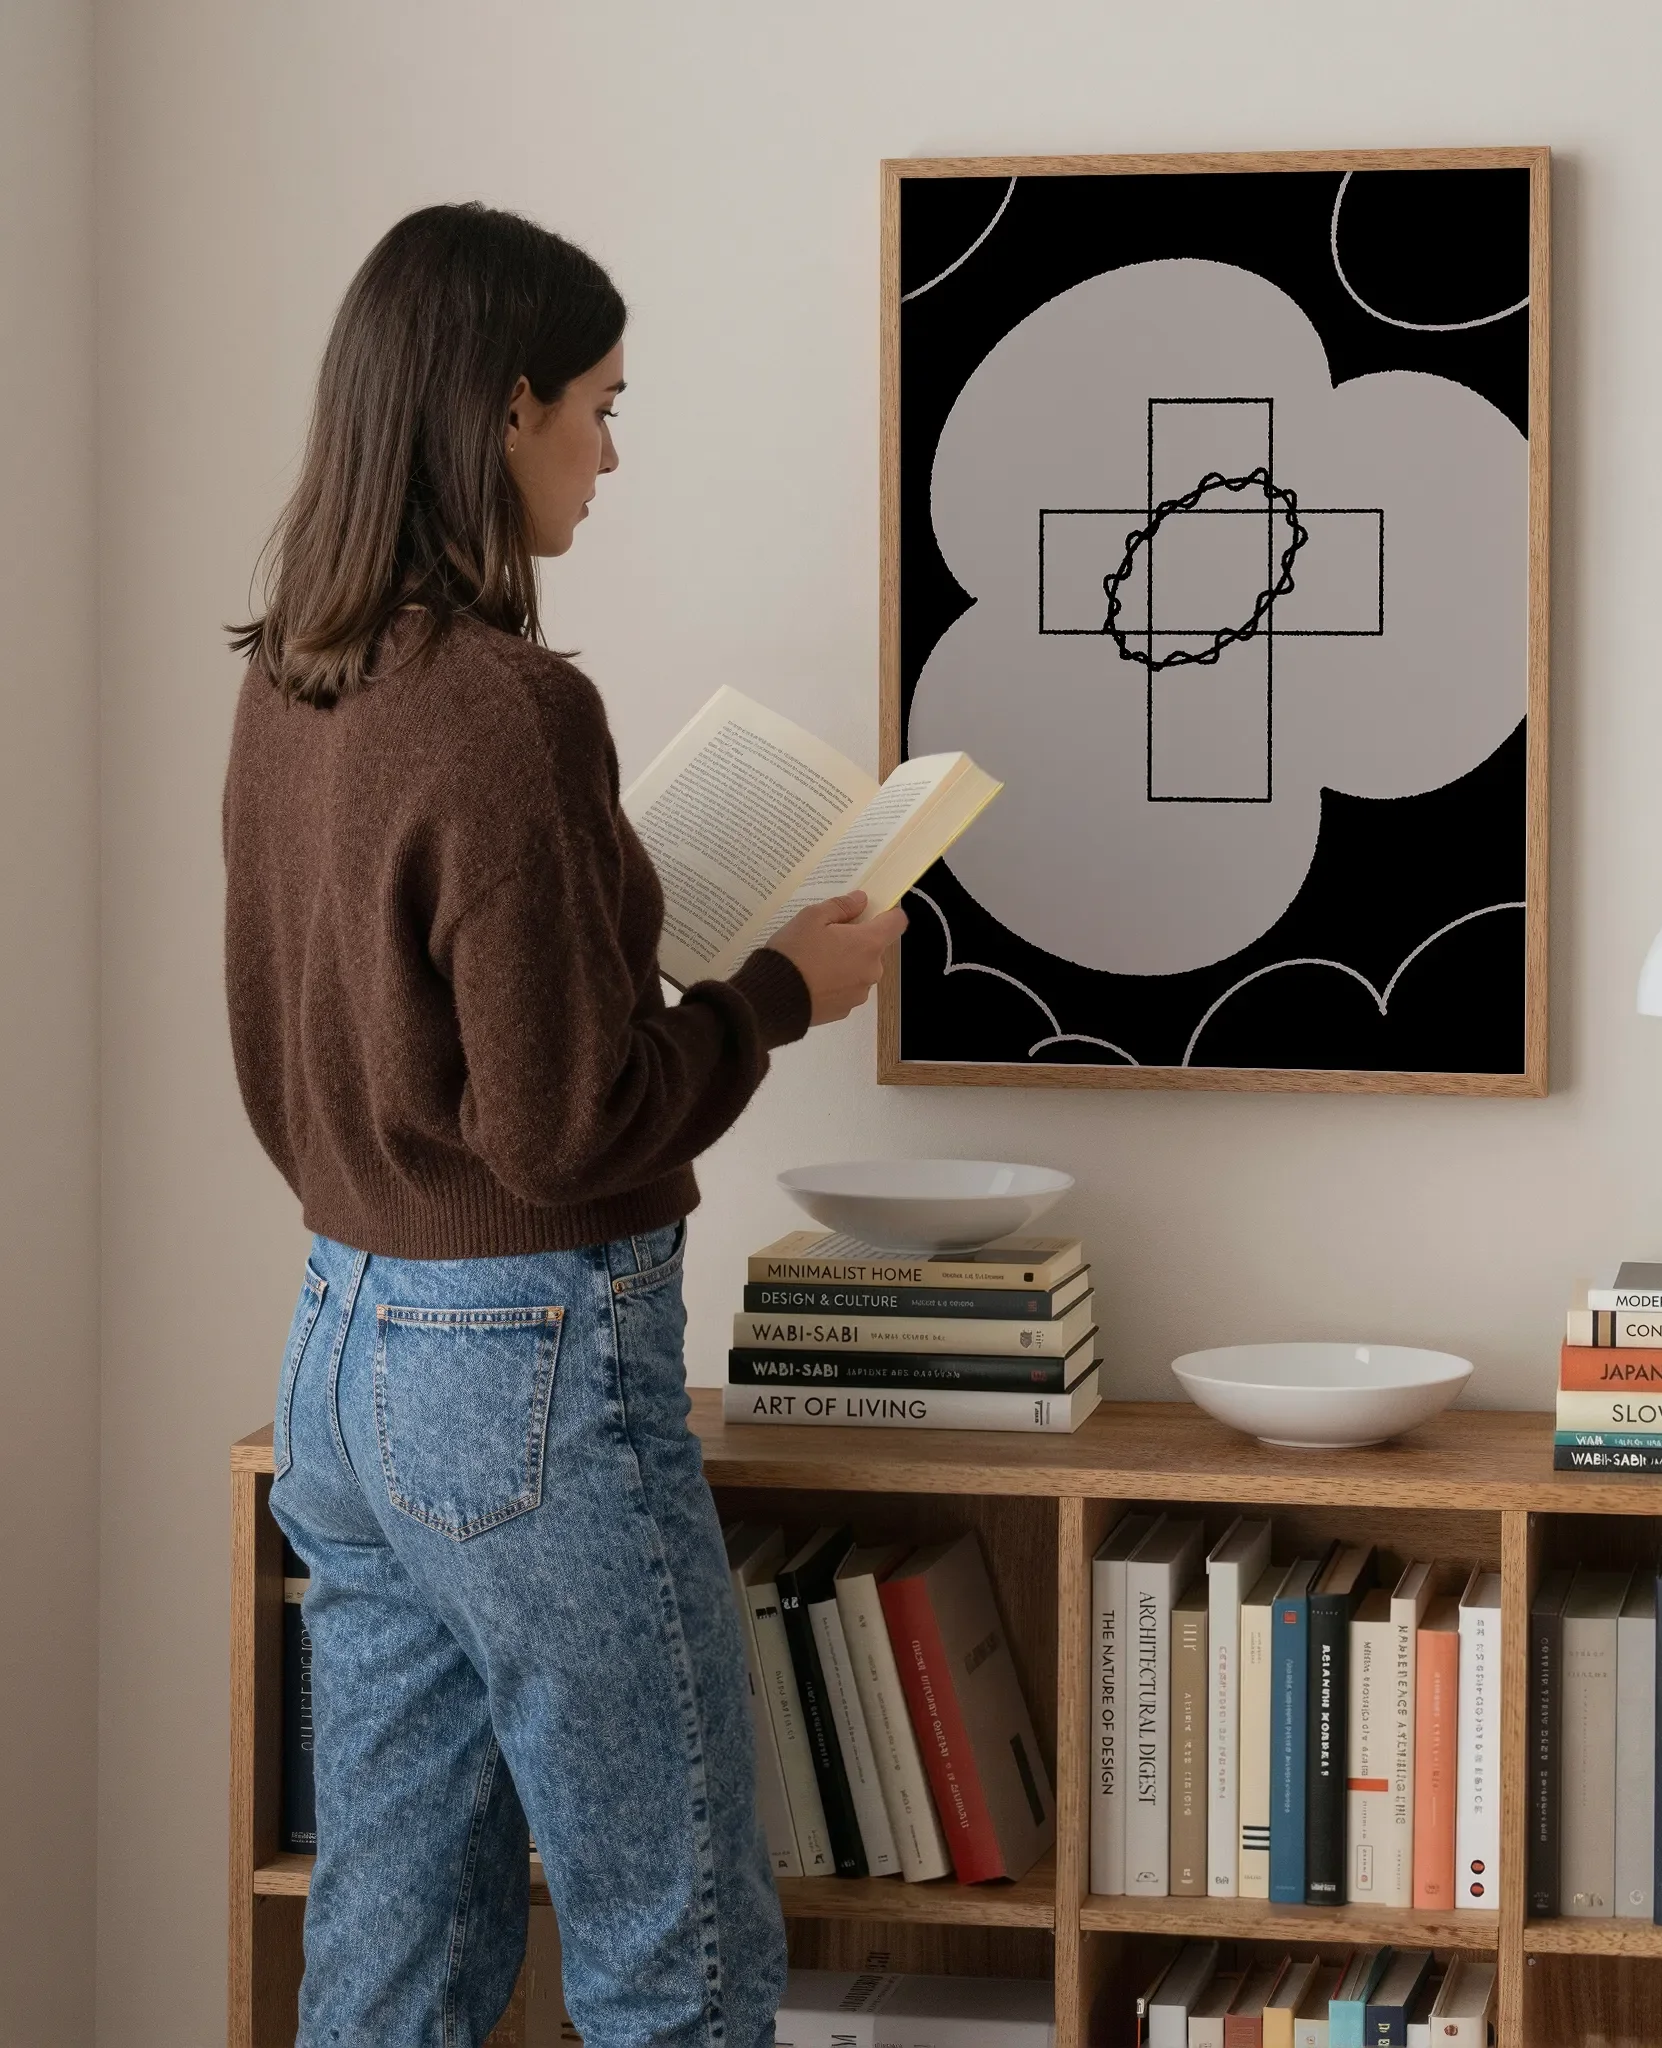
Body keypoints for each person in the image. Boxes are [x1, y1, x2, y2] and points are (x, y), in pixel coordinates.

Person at [223, 202, 903, 2048]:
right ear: (504, 404)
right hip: (522, 1369)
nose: (610, 452)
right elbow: (562, 1127)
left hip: (341, 1361)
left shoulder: (295, 676)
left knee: (394, 1942)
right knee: (669, 1945)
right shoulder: (509, 707)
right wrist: (778, 995)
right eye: (600, 405)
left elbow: (327, 1055)